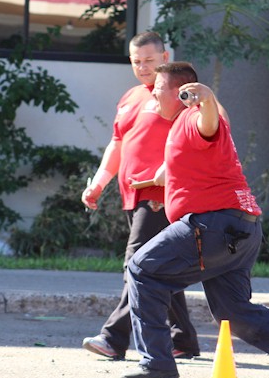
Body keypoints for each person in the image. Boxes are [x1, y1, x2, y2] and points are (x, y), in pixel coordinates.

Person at [120, 62, 269, 378]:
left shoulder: (194, 117)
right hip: (240, 227)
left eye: (159, 88)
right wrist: (157, 189)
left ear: (182, 93)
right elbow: (177, 171)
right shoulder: (181, 127)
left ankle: (157, 362)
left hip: (211, 225)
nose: (152, 94)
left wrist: (207, 97)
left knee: (141, 269)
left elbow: (208, 123)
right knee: (232, 312)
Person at [80, 32, 200, 361]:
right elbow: (118, 143)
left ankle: (113, 338)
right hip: (132, 195)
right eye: (136, 61)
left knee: (137, 264)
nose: (143, 67)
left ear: (165, 57)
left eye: (149, 60)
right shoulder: (131, 96)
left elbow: (194, 136)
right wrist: (99, 183)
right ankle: (183, 339)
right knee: (159, 266)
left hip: (160, 195)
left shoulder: (177, 94)